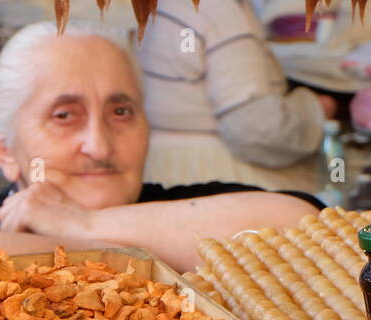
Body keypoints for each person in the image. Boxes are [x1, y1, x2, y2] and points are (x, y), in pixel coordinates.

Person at [0, 20, 323, 271]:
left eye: (121, 113)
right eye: (64, 116)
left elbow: (302, 225)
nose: (99, 146)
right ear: (4, 148)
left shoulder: (186, 204)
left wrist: (83, 227)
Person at [139, 0, 337, 192]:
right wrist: (315, 110)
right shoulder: (219, 11)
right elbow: (253, 129)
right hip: (214, 175)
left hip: (165, 166)